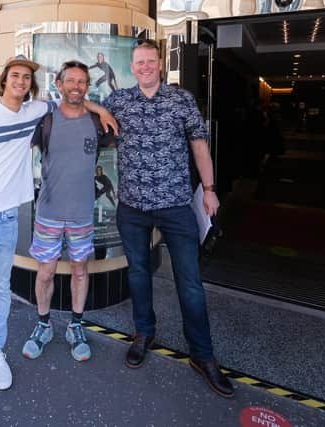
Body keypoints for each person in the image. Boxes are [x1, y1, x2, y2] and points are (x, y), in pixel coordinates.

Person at [0, 55, 116, 405]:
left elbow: (76, 99)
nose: (20, 81)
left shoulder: (40, 114)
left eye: (25, 77)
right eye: (14, 76)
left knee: (3, 290)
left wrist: (103, 111)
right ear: (4, 80)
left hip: (10, 218)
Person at [102, 39, 234, 398]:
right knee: (139, 273)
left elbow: (199, 145)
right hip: (132, 207)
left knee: (189, 282)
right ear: (132, 67)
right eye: (139, 62)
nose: (145, 67)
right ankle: (144, 332)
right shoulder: (118, 101)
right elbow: (91, 118)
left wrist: (209, 188)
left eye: (150, 61)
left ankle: (202, 355)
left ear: (160, 64)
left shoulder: (181, 100)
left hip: (176, 206)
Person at [22, 60, 113, 362]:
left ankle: (76, 325)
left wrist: (98, 109)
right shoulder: (44, 120)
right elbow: (13, 124)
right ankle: (43, 324)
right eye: (70, 81)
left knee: (79, 270)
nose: (76, 86)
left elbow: (122, 133)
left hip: (82, 214)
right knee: (45, 272)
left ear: (88, 87)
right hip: (48, 212)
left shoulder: (98, 122)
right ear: (58, 85)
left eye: (82, 82)